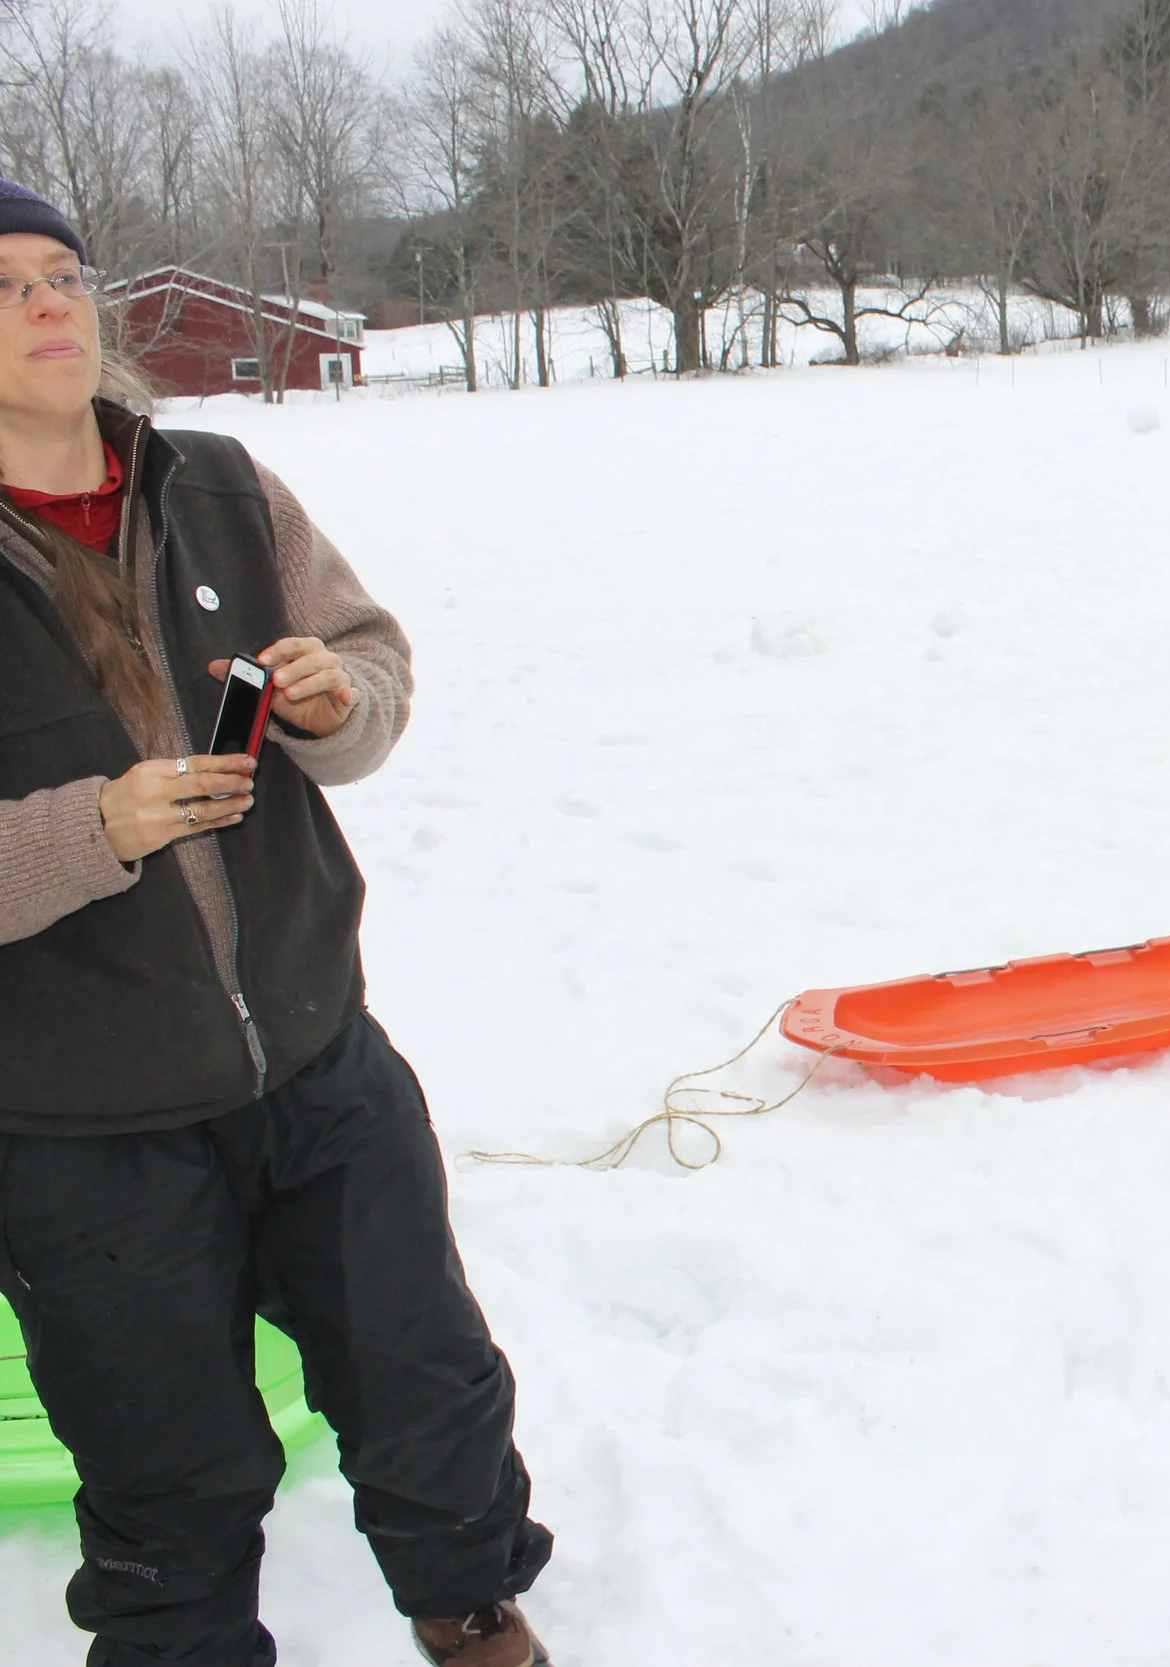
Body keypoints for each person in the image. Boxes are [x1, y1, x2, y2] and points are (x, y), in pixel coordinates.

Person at [0, 180, 553, 1667]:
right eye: (3, 289)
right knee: (167, 1466)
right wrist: (86, 832)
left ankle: (473, 1607)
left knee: (425, 1378)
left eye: (62, 275)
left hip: (316, 1056)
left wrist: (334, 703)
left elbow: (370, 666)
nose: (51, 305)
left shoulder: (222, 482)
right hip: (80, 1121)